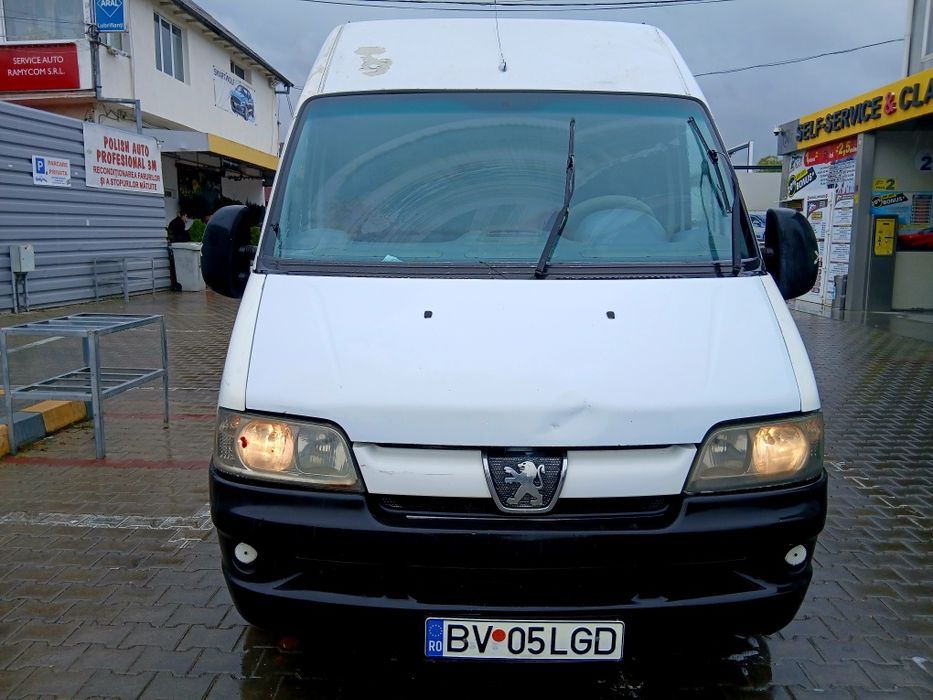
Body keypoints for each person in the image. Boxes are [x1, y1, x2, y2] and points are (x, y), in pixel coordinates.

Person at [166, 210, 190, 291]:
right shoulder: (180, 222)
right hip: (178, 245)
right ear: (183, 216)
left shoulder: (174, 221)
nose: (187, 219)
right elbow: (182, 234)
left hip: (172, 244)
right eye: (186, 217)